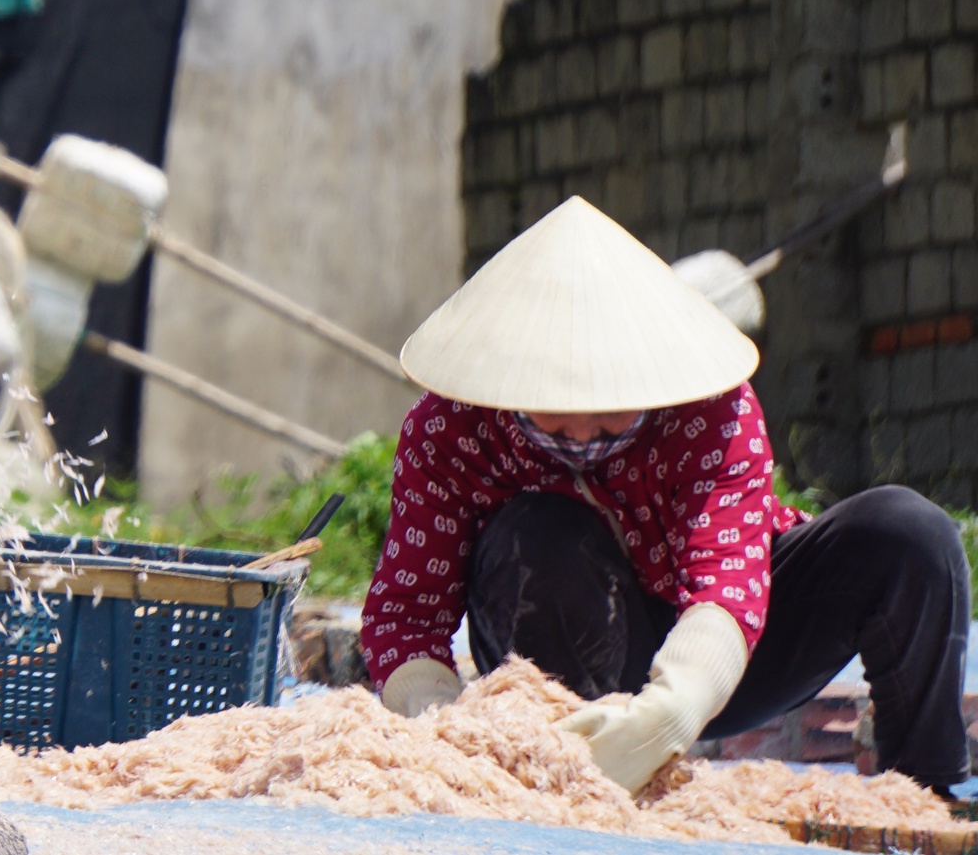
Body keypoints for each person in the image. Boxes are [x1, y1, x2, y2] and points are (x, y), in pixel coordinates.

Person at [361, 196, 970, 795]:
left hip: (723, 651)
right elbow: (405, 614)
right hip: (556, 648)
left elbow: (727, 579)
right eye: (556, 412)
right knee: (538, 533)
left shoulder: (712, 411)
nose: (581, 431)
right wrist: (437, 721)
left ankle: (927, 787)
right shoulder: (450, 429)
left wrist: (671, 711)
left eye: (605, 408)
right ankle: (569, 777)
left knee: (907, 534)